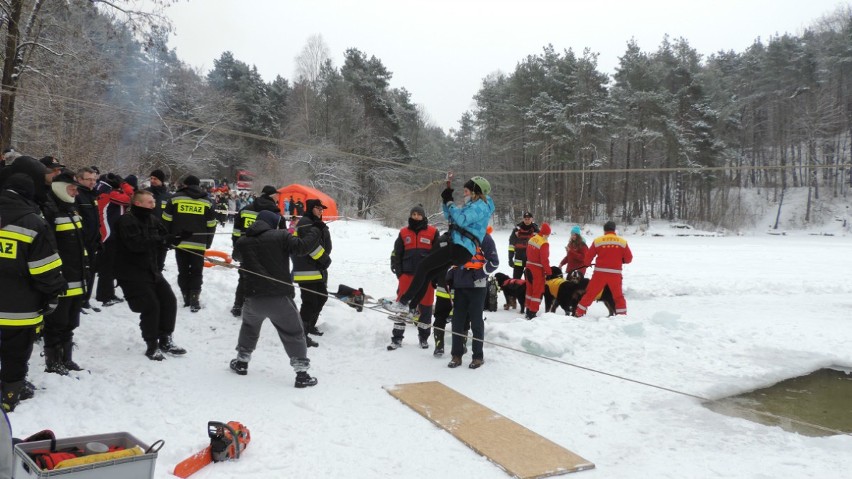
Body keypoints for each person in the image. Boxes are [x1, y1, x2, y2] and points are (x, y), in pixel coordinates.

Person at [230, 210, 321, 388]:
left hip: (253, 299)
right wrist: (316, 230)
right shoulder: (280, 236)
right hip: (279, 298)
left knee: (249, 327)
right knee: (293, 333)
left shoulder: (244, 241)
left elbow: (236, 257)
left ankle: (241, 362)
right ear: (272, 223)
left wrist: (245, 240)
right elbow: (302, 247)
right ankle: (301, 374)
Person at [0, 173, 66, 412]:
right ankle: (11, 392)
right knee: (15, 351)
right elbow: (44, 270)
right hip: (18, 308)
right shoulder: (33, 223)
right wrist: (53, 294)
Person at [386, 176, 495, 317]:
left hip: (460, 248)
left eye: (467, 191)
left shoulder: (481, 206)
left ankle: (403, 302)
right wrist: (446, 201)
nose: (464, 194)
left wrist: (450, 202)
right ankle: (412, 307)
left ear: (475, 191)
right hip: (460, 250)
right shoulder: (472, 206)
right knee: (428, 274)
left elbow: (461, 220)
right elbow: (449, 216)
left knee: (423, 266)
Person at [114, 190, 190, 360]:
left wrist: (176, 237)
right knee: (151, 305)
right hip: (132, 272)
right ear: (138, 203)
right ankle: (151, 344)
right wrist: (163, 240)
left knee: (169, 300)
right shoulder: (126, 220)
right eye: (149, 202)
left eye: (153, 202)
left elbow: (163, 238)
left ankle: (166, 338)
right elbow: (136, 245)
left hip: (151, 269)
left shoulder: (152, 219)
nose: (153, 205)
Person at [40, 170, 90, 374]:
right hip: (61, 278)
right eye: (72, 188)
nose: (76, 193)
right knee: (56, 323)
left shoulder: (71, 209)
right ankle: (53, 361)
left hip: (77, 276)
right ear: (60, 188)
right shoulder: (49, 210)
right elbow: (47, 247)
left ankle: (66, 357)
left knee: (71, 321)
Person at [387, 205, 439, 350]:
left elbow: (438, 256)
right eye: (413, 214)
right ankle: (397, 338)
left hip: (426, 277)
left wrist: (434, 275)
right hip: (407, 276)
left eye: (418, 214)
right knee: (401, 308)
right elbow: (397, 253)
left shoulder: (433, 232)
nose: (416, 216)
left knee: (426, 309)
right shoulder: (403, 232)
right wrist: (400, 273)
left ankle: (423, 337)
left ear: (423, 216)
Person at [163, 175, 216, 312]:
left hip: (179, 242)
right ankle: (194, 299)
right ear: (198, 185)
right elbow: (211, 224)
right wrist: (208, 242)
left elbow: (166, 220)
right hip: (199, 244)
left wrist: (168, 238)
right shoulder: (207, 201)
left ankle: (186, 296)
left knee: (183, 271)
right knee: (197, 272)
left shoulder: (175, 198)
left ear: (185, 184)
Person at [446, 228, 499, 369]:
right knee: (457, 321)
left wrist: (477, 274)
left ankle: (478, 356)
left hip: (477, 285)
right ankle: (456, 355)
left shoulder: (485, 238)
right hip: (459, 284)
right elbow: (451, 259)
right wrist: (450, 275)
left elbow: (494, 262)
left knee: (476, 321)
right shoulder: (458, 236)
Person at [230, 185, 280, 317]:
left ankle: (238, 305)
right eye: (276, 195)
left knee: (244, 278)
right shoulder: (275, 213)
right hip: (267, 253)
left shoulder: (246, 209)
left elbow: (236, 232)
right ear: (270, 196)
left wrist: (237, 248)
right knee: (264, 280)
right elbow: (281, 237)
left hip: (246, 251)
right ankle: (257, 308)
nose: (278, 197)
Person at [291, 199, 332, 346]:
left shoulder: (313, 222)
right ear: (310, 208)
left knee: (321, 297)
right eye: (318, 208)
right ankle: (301, 334)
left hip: (315, 268)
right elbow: (309, 247)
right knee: (310, 302)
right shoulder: (307, 223)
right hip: (307, 269)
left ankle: (309, 326)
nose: (321, 211)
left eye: (322, 209)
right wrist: (324, 259)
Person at [575, 221, 633, 317]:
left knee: (590, 294)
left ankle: (579, 313)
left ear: (604, 230)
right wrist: (620, 260)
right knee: (618, 296)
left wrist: (588, 263)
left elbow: (587, 259)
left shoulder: (598, 241)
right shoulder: (622, 242)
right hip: (615, 274)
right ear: (614, 230)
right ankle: (622, 316)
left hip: (599, 274)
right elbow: (629, 259)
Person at [95, 173, 132, 307]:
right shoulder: (110, 192)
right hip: (108, 235)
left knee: (108, 267)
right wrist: (124, 184)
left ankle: (107, 293)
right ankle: (104, 295)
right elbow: (129, 197)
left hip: (108, 233)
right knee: (107, 267)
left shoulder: (103, 189)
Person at [74, 167, 101, 313]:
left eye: (94, 179)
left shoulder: (92, 195)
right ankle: (78, 302)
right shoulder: (77, 195)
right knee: (82, 274)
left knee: (91, 273)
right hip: (82, 242)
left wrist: (98, 238)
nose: (92, 182)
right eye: (88, 179)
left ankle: (85, 301)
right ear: (79, 179)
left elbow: (95, 220)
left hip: (92, 242)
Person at [523, 222, 551, 319]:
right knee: (537, 292)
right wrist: (549, 272)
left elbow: (527, 253)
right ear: (545, 234)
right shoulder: (544, 243)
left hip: (528, 268)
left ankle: (527, 310)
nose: (548, 236)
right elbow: (544, 260)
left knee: (529, 290)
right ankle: (532, 312)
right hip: (537, 270)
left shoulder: (532, 239)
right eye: (548, 234)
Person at [508, 212, 539, 279]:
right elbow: (511, 245)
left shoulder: (536, 230)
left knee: (530, 281)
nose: (527, 220)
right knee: (516, 280)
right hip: (519, 257)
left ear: (532, 219)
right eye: (525, 219)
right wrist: (510, 258)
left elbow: (540, 246)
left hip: (531, 259)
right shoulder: (517, 230)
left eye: (528, 219)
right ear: (523, 219)